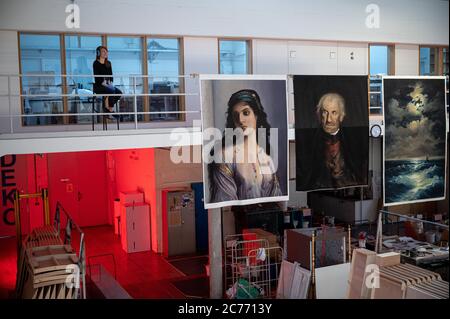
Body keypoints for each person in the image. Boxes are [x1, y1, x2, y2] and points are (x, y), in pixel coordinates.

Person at [208, 89, 282, 203]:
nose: (241, 120)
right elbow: (226, 202)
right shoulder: (224, 157)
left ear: (256, 115)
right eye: (235, 115)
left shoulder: (267, 159)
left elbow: (279, 201)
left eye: (246, 113)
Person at [309, 92, 358, 189]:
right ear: (319, 115)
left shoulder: (352, 142)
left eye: (334, 113)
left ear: (342, 115)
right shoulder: (312, 142)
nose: (329, 120)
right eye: (325, 112)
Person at [93, 46, 122, 113]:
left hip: (108, 84)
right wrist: (104, 83)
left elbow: (111, 76)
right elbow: (97, 77)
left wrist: (110, 82)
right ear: (98, 53)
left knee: (119, 92)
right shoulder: (96, 63)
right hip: (99, 85)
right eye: (103, 51)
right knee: (111, 90)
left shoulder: (108, 63)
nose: (105, 53)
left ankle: (108, 107)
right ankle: (110, 109)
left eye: (106, 52)